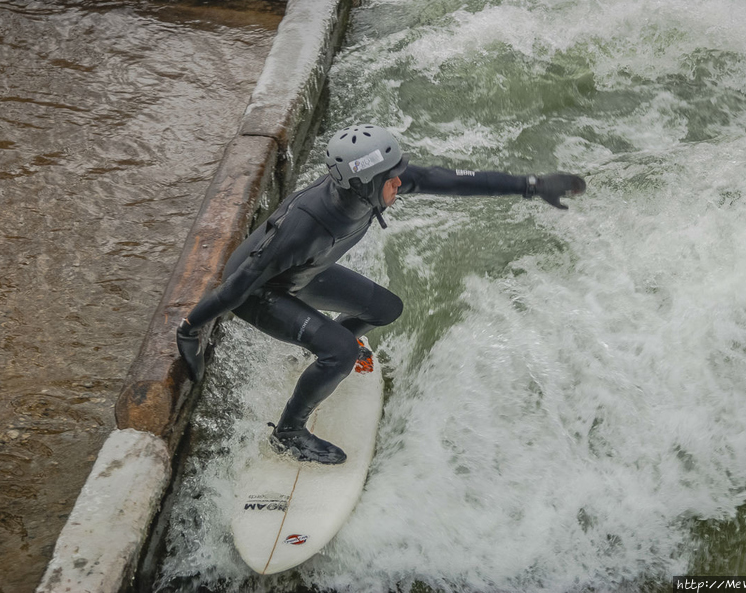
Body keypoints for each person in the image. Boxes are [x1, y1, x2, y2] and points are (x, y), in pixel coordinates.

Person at [176, 124, 586, 464]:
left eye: (397, 174)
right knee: (341, 350)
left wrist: (530, 185)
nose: (400, 183)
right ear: (362, 185)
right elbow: (237, 286)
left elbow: (447, 180)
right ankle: (288, 432)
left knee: (385, 309)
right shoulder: (304, 227)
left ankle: (323, 345)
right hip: (259, 292)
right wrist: (191, 328)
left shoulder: (369, 186)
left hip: (304, 274)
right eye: (391, 179)